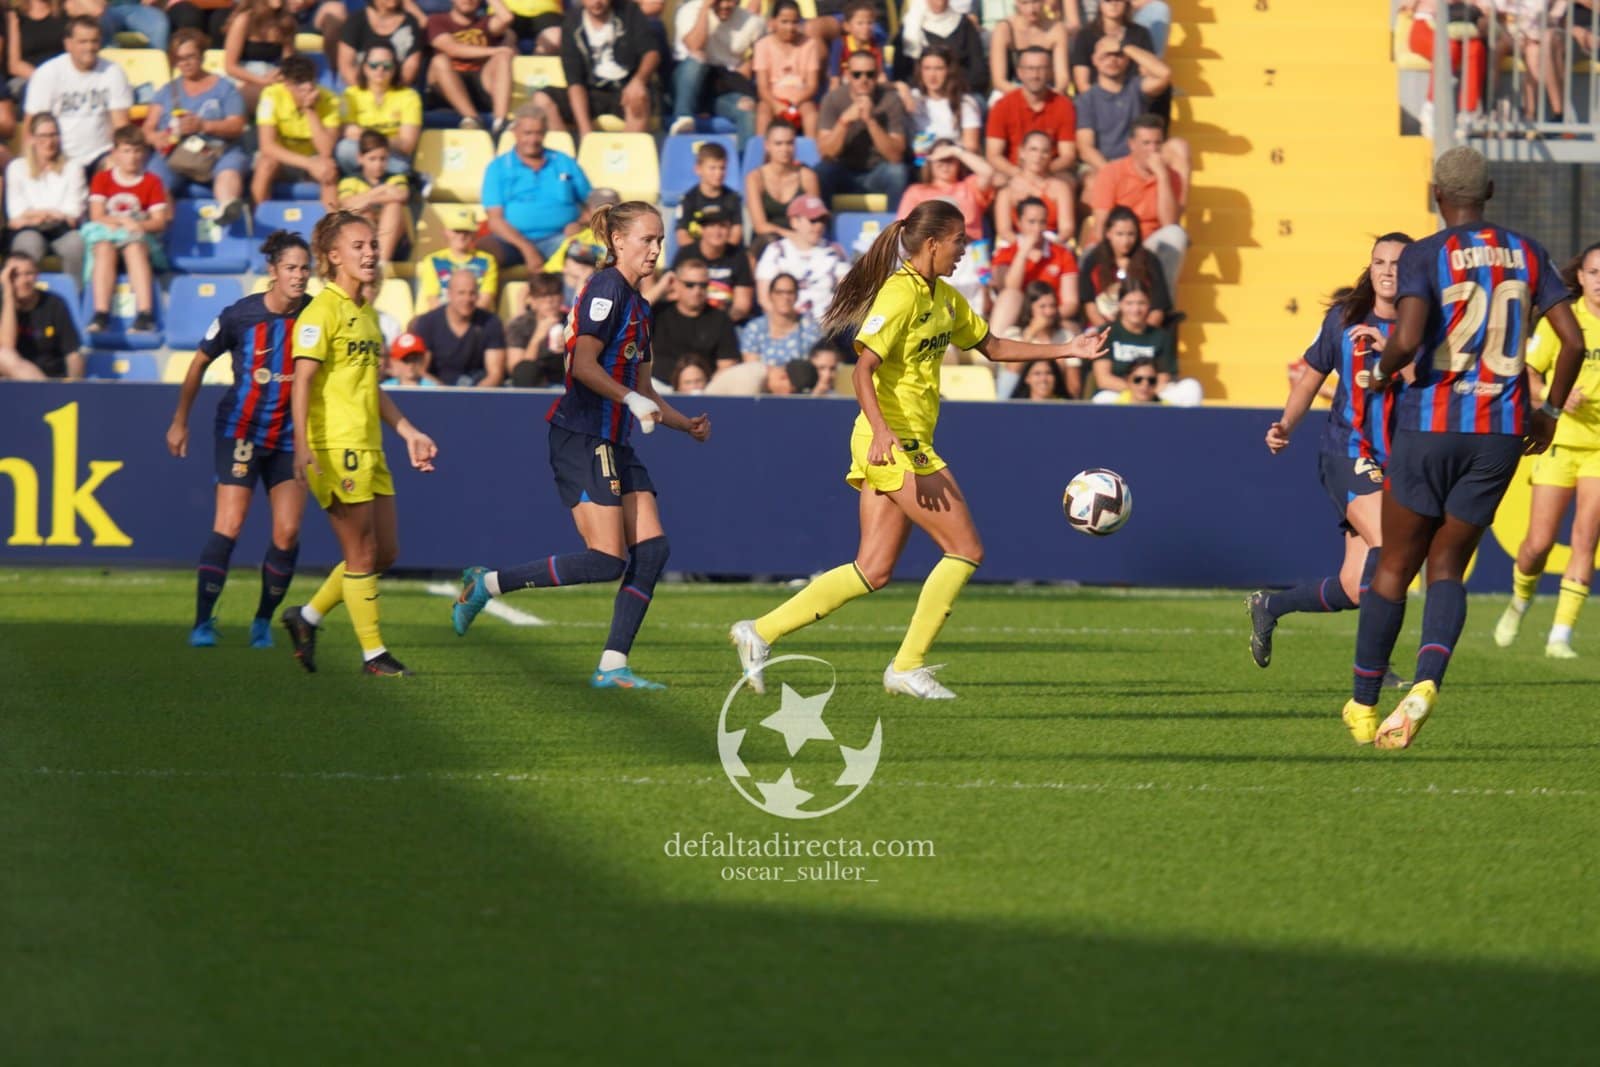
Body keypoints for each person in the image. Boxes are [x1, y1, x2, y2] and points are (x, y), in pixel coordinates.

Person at [729, 199, 1107, 699]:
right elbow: (862, 368)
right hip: (893, 441)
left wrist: (1068, 349)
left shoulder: (945, 297)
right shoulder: (899, 294)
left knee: (873, 569)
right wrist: (883, 431)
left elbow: (992, 346)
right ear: (932, 244)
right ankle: (907, 666)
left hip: (905, 439)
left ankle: (759, 632)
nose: (964, 250)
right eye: (959, 241)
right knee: (966, 548)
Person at [1344, 147, 1584, 750]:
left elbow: (1408, 335)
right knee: (1449, 566)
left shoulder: (1428, 253)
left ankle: (1364, 703)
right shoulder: (1529, 251)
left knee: (1397, 566)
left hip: (1431, 423)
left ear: (1435, 194)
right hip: (1500, 432)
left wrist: (1379, 372)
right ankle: (1426, 683)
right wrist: (1549, 412)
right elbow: (1573, 343)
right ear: (1492, 190)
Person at [452, 200, 713, 690]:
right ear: (618, 242)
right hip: (583, 434)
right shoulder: (606, 287)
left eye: (660, 239)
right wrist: (632, 399)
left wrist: (685, 424)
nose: (656, 249)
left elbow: (646, 388)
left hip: (615, 435)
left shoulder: (639, 304)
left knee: (653, 550)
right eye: (647, 239)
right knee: (606, 560)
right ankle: (485, 584)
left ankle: (613, 666)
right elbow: (583, 367)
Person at [281, 210, 439, 677]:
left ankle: (305, 617)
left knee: (384, 553)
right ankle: (374, 655)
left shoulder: (367, 315)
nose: (369, 253)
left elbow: (371, 386)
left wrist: (408, 430)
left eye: (372, 245)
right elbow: (301, 382)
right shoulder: (320, 311)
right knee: (362, 554)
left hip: (370, 446)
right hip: (333, 447)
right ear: (333, 257)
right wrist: (301, 445)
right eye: (358, 246)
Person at [1249, 235, 1415, 682]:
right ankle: (1375, 668)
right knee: (1391, 545)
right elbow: (1308, 381)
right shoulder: (1343, 319)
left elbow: (1430, 382)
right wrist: (1285, 426)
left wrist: (1392, 353)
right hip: (1347, 451)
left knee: (1355, 587)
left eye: (1396, 263)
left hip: (1395, 460)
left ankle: (1270, 604)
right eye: (1379, 261)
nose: (1386, 271)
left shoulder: (1422, 324)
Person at [165, 231, 313, 649]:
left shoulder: (317, 316)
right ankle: (202, 622)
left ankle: (263, 622)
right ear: (272, 271)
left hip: (290, 439)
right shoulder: (239, 316)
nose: (299, 276)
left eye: (305, 268)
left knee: (287, 533)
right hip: (242, 431)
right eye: (291, 268)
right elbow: (197, 364)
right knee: (229, 525)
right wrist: (180, 421)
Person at [1494, 241, 1600, 658]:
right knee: (1537, 543)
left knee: (1585, 539)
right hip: (1560, 441)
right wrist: (1555, 398)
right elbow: (1531, 377)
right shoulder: (1565, 320)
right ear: (1580, 277)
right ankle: (1519, 603)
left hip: (1598, 450)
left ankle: (1560, 635)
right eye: (1594, 273)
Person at [142, 29, 249, 220]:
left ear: (202, 56)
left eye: (190, 57)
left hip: (218, 149)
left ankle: (227, 209)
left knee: (229, 168)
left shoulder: (225, 88)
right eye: (180, 58)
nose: (186, 63)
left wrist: (204, 125)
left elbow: (237, 125)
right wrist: (156, 137)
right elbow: (149, 127)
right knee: (156, 180)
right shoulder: (167, 91)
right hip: (176, 151)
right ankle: (165, 228)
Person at [480, 102, 591, 271]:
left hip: (560, 239)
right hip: (512, 242)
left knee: (583, 253)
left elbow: (593, 203)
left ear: (545, 133)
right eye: (527, 133)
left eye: (538, 133)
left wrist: (580, 224)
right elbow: (495, 220)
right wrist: (526, 248)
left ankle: (575, 298)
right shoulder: (498, 167)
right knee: (480, 254)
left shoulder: (564, 162)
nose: (533, 139)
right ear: (514, 133)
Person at [1085, 113, 1188, 290]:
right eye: (1146, 143)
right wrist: (1121, 255)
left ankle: (1163, 307)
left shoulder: (1171, 177)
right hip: (1116, 243)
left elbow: (1169, 223)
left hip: (1149, 245)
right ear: (1132, 145)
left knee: (1176, 235)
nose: (1152, 150)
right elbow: (1102, 224)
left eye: (1157, 143)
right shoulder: (1111, 172)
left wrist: (1162, 177)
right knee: (1089, 255)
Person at [82, 125, 167, 334]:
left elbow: (159, 221)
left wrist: (138, 225)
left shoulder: (152, 182)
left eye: (137, 151)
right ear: (115, 153)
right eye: (127, 151)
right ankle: (101, 314)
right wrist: (123, 221)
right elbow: (97, 215)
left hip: (139, 240)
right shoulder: (102, 179)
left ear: (144, 154)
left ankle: (145, 314)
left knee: (134, 247)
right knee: (103, 248)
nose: (133, 157)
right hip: (108, 238)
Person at [24, 16, 132, 172]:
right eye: (83, 42)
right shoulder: (47, 74)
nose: (89, 47)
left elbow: (121, 126)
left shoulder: (113, 72)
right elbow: (32, 127)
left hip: (101, 156)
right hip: (60, 156)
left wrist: (118, 158)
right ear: (68, 44)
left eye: (94, 41)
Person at [541, 0, 662, 138]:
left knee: (639, 96)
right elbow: (575, 82)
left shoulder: (629, 12)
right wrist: (586, 133)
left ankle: (628, 152)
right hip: (591, 93)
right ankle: (564, 154)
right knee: (542, 99)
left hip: (625, 88)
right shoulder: (571, 22)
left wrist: (639, 81)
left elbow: (651, 53)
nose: (597, 2)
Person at [815, 48, 910, 206]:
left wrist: (871, 121)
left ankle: (896, 229)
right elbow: (826, 153)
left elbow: (896, 156)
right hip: (843, 171)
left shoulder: (891, 100)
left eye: (870, 74)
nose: (863, 80)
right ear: (847, 75)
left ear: (877, 74)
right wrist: (844, 121)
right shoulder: (832, 99)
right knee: (822, 171)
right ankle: (823, 228)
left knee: (897, 172)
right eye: (857, 74)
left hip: (878, 171)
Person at [1075, 33, 1172, 181]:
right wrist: (1114, 173)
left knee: (1179, 148)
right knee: (1093, 182)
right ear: (1094, 61)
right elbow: (1086, 149)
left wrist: (1126, 47)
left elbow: (1164, 74)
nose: (1112, 60)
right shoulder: (1086, 100)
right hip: (1103, 163)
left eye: (1118, 55)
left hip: (1138, 160)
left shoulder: (1136, 87)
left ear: (1127, 60)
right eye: (1106, 56)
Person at [6, 113, 88, 282]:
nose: (49, 142)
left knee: (76, 244)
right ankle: (21, 301)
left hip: (62, 231)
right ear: (32, 139)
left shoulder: (73, 168)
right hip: (29, 230)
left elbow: (73, 212)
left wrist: (33, 215)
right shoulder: (16, 168)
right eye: (43, 136)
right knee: (28, 244)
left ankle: (75, 300)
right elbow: (16, 212)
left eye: (53, 135)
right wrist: (52, 214)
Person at [253, 54, 341, 211]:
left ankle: (331, 227)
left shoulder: (330, 100)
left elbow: (326, 150)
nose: (307, 86)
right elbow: (267, 146)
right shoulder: (271, 96)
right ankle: (258, 220)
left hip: (314, 158)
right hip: (285, 160)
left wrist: (310, 110)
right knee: (266, 163)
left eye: (310, 80)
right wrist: (308, 164)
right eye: (299, 82)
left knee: (329, 170)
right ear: (286, 84)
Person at [668, 0, 762, 143]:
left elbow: (764, 54)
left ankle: (747, 161)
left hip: (723, 85)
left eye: (729, 1)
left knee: (747, 109)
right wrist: (705, 8)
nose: (724, 6)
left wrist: (749, 63)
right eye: (718, 1)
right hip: (688, 82)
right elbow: (695, 45)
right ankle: (683, 118)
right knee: (697, 58)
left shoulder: (752, 21)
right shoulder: (689, 11)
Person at [984, 45, 1076, 181]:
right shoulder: (1003, 105)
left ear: (1050, 72)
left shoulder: (1064, 105)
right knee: (997, 181)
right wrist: (1019, 174)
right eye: (1030, 69)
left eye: (1041, 69)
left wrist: (1041, 173)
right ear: (1020, 72)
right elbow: (993, 154)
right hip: (1013, 171)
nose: (1035, 75)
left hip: (1051, 171)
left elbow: (1068, 155)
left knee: (1068, 183)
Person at [990, 195, 1077, 338]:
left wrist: (1045, 316)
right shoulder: (1005, 254)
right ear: (1019, 223)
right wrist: (1023, 252)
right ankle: (994, 347)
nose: (1037, 228)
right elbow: (1009, 287)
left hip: (1051, 316)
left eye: (1042, 222)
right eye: (1031, 222)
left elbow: (1071, 302)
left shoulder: (1062, 254)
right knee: (1010, 295)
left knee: (1071, 330)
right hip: (1018, 315)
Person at [753, 195, 850, 320]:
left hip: (826, 328)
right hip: (786, 325)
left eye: (823, 220)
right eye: (813, 220)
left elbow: (848, 295)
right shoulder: (776, 251)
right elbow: (764, 299)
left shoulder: (835, 252)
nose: (819, 226)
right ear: (794, 222)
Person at [1077, 204, 1172, 329]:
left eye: (1131, 234)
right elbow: (1089, 304)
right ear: (1108, 233)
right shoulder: (1094, 260)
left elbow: (1158, 308)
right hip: (1102, 330)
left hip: (1141, 332)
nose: (1126, 241)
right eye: (1120, 234)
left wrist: (1141, 334)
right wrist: (1110, 334)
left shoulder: (1149, 261)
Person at [409, 267, 508, 386]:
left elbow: (495, 373)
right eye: (461, 293)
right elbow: (421, 370)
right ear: (449, 294)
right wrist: (447, 395)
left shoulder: (491, 322)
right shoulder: (428, 322)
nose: (467, 299)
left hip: (477, 392)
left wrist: (473, 398)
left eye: (472, 293)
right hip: (437, 393)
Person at [427, 0, 513, 134]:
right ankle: (472, 118)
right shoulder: (437, 20)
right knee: (439, 61)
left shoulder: (485, 22)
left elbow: (507, 17)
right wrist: (495, 51)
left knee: (503, 58)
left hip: (481, 82)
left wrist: (499, 53)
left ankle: (501, 121)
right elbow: (452, 49)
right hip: (448, 85)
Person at [338, 41, 422, 178]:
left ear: (395, 69)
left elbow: (407, 145)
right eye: (374, 65)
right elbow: (349, 132)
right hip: (363, 155)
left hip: (392, 157)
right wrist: (387, 139)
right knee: (345, 149)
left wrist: (367, 136)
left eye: (387, 66)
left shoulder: (409, 96)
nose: (380, 70)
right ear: (364, 68)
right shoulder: (349, 95)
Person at [652, 256, 740, 381]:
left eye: (703, 285)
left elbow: (727, 365)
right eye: (690, 285)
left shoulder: (720, 319)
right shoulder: (658, 312)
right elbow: (631, 313)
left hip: (704, 391)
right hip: (659, 388)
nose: (697, 290)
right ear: (675, 284)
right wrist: (661, 286)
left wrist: (705, 392)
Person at [744, 119, 821, 260]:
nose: (784, 149)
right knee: (767, 242)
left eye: (789, 143)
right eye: (778, 143)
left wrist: (801, 238)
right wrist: (790, 236)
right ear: (767, 146)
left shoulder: (807, 176)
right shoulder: (755, 178)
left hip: (802, 239)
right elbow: (760, 225)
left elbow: (814, 217)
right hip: (767, 241)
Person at [0, 251, 84, 380]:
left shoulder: (54, 304)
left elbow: (72, 353)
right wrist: (8, 294)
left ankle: (45, 392)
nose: (24, 281)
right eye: (15, 275)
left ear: (37, 275)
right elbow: (7, 346)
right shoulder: (3, 303)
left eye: (29, 274)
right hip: (9, 382)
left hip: (51, 377)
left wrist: (75, 388)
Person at [336, 129, 410, 266]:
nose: (378, 165)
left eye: (383, 159)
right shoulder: (350, 181)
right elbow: (347, 205)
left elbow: (401, 195)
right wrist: (380, 191)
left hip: (396, 245)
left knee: (394, 206)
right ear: (360, 158)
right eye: (372, 159)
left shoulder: (395, 177)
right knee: (364, 214)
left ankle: (381, 263)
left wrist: (363, 199)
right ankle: (367, 260)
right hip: (359, 242)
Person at [670, 201, 753, 321]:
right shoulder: (685, 254)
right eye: (711, 225)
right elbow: (674, 294)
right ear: (702, 229)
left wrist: (717, 324)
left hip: (726, 322)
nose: (717, 232)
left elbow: (742, 305)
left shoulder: (739, 256)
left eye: (722, 226)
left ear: (729, 229)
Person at [995, 279, 1079, 397]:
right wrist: (1031, 333)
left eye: (1052, 306)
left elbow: (1074, 386)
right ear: (1030, 308)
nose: (1049, 312)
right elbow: (1011, 373)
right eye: (1042, 307)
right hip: (1020, 397)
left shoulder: (1065, 337)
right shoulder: (1014, 334)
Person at [752, 0, 821, 138]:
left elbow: (812, 85)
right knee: (763, 112)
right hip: (773, 97)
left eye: (794, 22)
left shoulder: (810, 44)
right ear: (773, 22)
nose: (790, 27)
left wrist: (797, 100)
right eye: (784, 22)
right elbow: (763, 87)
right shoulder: (762, 45)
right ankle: (762, 155)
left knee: (811, 114)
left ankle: (813, 155)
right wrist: (775, 104)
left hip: (801, 97)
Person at [992, 129, 1073, 244]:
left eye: (1045, 151)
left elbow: (1066, 229)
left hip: (1052, 243)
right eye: (1033, 149)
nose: (1039, 156)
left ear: (1050, 155)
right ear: (1022, 152)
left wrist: (1049, 247)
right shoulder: (1008, 190)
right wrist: (1024, 248)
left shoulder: (1061, 188)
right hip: (1016, 243)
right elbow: (1004, 230)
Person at [416, 204, 498, 314]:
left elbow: (485, 300)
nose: (461, 236)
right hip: (441, 319)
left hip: (476, 320)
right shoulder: (433, 260)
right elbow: (433, 300)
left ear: (474, 234)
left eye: (466, 232)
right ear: (446, 232)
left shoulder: (488, 261)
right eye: (456, 231)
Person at [895, 0, 987, 96]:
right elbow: (902, 72)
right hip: (921, 94)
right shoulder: (910, 29)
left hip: (962, 93)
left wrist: (955, 91)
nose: (939, 2)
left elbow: (978, 69)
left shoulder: (964, 25)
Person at [222, 0, 296, 114]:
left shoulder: (285, 22)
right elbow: (230, 66)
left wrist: (280, 74)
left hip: (272, 76)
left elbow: (289, 62)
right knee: (269, 97)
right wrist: (261, 80)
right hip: (244, 77)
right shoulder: (244, 20)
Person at [336, 0, 426, 90]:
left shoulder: (411, 23)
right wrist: (363, 94)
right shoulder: (355, 21)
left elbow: (411, 66)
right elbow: (346, 66)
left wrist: (394, 93)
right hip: (359, 89)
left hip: (397, 91)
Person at [672, 141, 743, 251]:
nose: (718, 173)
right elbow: (682, 235)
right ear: (698, 169)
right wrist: (702, 255)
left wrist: (719, 254)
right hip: (696, 257)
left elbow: (736, 233)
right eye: (712, 168)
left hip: (726, 255)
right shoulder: (688, 199)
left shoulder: (732, 198)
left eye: (722, 168)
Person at [987, 0, 1068, 95]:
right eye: (1025, 3)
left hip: (1047, 91)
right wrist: (1028, 96)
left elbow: (1062, 79)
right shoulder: (1004, 29)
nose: (1031, 9)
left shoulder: (1056, 29)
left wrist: (1047, 96)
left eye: (1035, 2)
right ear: (1016, 3)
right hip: (1010, 90)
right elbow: (998, 81)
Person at [738, 271, 819, 365]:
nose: (785, 297)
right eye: (779, 292)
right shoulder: (754, 329)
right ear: (771, 295)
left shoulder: (810, 329)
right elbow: (751, 367)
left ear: (797, 296)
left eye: (790, 292)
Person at [504, 272, 565, 387]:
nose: (549, 300)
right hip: (532, 384)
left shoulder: (573, 322)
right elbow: (516, 370)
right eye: (542, 296)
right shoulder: (519, 325)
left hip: (564, 381)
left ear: (562, 298)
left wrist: (570, 348)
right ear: (532, 301)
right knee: (526, 370)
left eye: (554, 294)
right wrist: (537, 337)